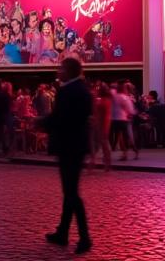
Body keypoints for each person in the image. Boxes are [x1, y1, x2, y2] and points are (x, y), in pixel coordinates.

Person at [44, 57, 94, 255]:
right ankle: (63, 231)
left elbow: (60, 118)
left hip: (69, 146)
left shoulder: (68, 91)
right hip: (76, 146)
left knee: (72, 193)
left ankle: (85, 237)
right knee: (69, 191)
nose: (59, 71)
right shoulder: (82, 89)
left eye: (62, 68)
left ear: (70, 71)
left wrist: (41, 122)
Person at [90, 83, 113, 171]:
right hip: (101, 123)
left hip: (102, 123)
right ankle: (105, 163)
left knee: (104, 143)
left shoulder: (104, 101)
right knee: (103, 143)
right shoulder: (104, 100)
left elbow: (103, 114)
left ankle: (107, 163)